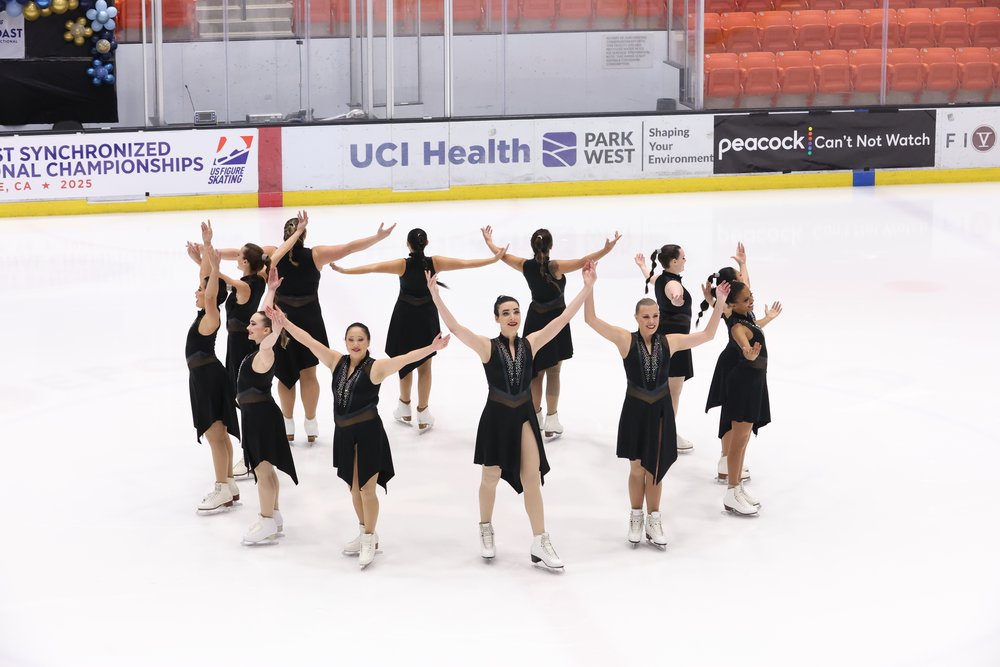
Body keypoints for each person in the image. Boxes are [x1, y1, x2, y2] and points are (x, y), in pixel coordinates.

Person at [427, 263, 596, 570]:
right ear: (497, 318)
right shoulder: (486, 347)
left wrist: (586, 287)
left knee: (532, 478)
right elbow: (456, 328)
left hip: (524, 416)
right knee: (490, 476)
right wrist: (436, 296)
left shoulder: (531, 343)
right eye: (506, 312)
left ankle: (540, 539)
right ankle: (485, 528)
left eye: (516, 311)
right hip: (496, 417)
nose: (513, 316)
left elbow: (563, 319)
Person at [270, 307, 450, 568]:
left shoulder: (376, 368)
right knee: (353, 488)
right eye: (351, 340)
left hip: (368, 434)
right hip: (344, 434)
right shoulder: (335, 361)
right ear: (345, 342)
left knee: (367, 489)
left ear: (368, 343)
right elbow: (308, 340)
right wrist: (285, 322)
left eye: (361, 340)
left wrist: (431, 348)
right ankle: (366, 531)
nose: (355, 344)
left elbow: (405, 358)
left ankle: (369, 538)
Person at [584, 267, 729, 548]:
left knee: (656, 470)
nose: (651, 321)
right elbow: (590, 319)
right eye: (646, 317)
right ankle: (636, 517)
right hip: (635, 411)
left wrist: (719, 302)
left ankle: (654, 518)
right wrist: (590, 286)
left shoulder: (670, 342)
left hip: (661, 411)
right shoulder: (625, 339)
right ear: (637, 318)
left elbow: (708, 335)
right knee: (637, 469)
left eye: (655, 316)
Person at [329, 227, 505, 433]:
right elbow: (466, 263)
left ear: (407, 244)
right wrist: (493, 259)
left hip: (405, 316)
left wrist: (345, 270)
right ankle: (423, 412)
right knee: (425, 364)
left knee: (404, 360)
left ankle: (404, 406)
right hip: (426, 316)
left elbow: (372, 267)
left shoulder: (402, 265)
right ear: (427, 243)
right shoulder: (435, 262)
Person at [252, 211, 396, 444]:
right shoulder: (316, 255)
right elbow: (349, 247)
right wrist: (377, 237)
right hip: (310, 318)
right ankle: (311, 423)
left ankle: (288, 424)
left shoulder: (271, 254)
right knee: (308, 372)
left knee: (285, 376)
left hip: (282, 319)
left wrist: (209, 253)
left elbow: (243, 254)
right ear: (303, 235)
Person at [481, 226, 621, 438]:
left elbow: (502, 255)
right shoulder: (555, 266)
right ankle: (552, 419)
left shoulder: (525, 265)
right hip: (557, 320)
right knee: (554, 371)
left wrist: (489, 241)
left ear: (532, 246)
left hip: (535, 318)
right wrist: (607, 250)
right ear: (551, 246)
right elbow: (584, 259)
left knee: (535, 372)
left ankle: (535, 417)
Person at [188, 239, 268, 479]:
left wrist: (210, 261)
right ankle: (250, 453)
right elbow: (215, 285)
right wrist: (202, 260)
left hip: (243, 348)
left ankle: (253, 454)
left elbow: (218, 288)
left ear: (245, 262)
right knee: (241, 400)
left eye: (239, 256)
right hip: (235, 346)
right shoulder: (253, 280)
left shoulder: (245, 287)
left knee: (246, 401)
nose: (236, 258)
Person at [709, 281, 782, 516]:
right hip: (742, 385)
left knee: (744, 440)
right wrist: (748, 353)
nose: (751, 301)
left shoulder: (747, 317)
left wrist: (768, 318)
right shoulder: (736, 325)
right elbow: (742, 339)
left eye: (751, 296)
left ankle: (737, 487)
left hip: (753, 384)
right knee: (739, 442)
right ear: (732, 305)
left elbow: (754, 327)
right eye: (745, 300)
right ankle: (732, 492)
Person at [185, 223, 240, 513]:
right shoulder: (205, 314)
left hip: (207, 379)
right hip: (208, 376)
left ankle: (220, 487)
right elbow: (206, 281)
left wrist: (212, 256)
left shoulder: (212, 315)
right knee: (220, 434)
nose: (197, 290)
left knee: (215, 436)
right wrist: (206, 254)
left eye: (201, 289)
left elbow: (209, 292)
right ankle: (229, 483)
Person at [238, 293, 299, 544]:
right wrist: (271, 291)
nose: (248, 327)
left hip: (261, 418)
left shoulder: (266, 351)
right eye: (250, 323)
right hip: (260, 416)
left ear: (266, 331)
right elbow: (267, 322)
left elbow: (269, 337)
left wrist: (276, 325)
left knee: (262, 471)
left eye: (254, 324)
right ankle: (274, 516)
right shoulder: (258, 351)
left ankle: (265, 520)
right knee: (268, 471)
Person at [634, 244, 696, 452]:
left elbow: (651, 278)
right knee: (673, 392)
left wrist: (643, 266)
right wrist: (675, 298)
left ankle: (661, 430)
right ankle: (666, 434)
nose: (686, 260)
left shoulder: (661, 278)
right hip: (675, 345)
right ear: (674, 262)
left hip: (665, 341)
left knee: (663, 389)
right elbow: (673, 291)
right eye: (684, 258)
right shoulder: (671, 283)